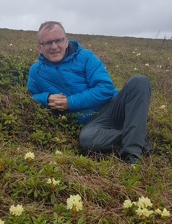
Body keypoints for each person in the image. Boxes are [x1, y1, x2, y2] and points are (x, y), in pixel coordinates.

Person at [27, 21, 152, 164]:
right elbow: (31, 97)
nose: (54, 46)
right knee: (87, 140)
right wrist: (47, 98)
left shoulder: (86, 57)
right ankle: (136, 135)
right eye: (48, 43)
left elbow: (105, 89)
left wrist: (70, 102)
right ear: (39, 48)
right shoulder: (36, 71)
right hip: (92, 123)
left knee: (140, 81)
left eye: (58, 40)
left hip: (112, 107)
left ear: (66, 42)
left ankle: (131, 156)